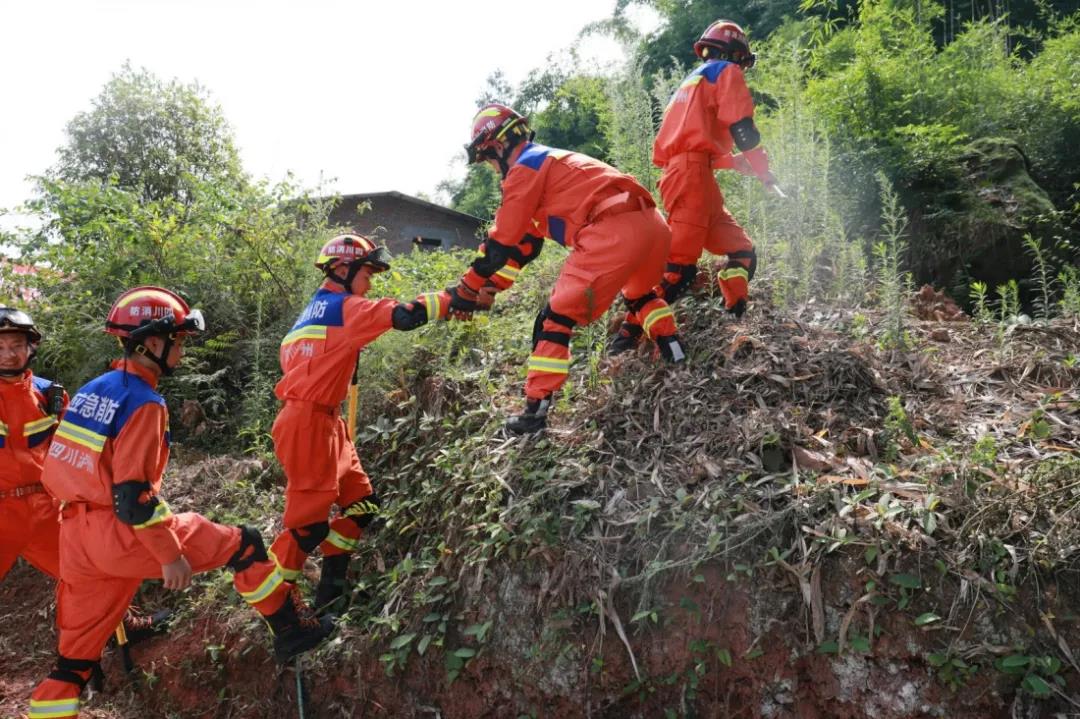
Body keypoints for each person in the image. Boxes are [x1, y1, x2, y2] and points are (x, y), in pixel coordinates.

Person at [29, 287, 332, 719]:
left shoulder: (94, 390)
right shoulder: (143, 403)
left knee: (73, 663)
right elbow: (133, 498)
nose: (183, 350)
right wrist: (169, 555)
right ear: (153, 342)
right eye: (180, 339)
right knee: (243, 544)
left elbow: (65, 470)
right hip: (122, 532)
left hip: (76, 538)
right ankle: (291, 629)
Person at [450, 103, 686, 434]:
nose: (491, 167)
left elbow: (501, 242)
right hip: (653, 226)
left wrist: (466, 289)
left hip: (612, 230)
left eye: (488, 158)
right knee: (639, 294)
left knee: (554, 319)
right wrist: (490, 287)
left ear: (498, 146)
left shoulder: (524, 168)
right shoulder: (552, 166)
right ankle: (676, 354)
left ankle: (534, 413)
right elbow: (524, 248)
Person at [265, 234, 450, 615]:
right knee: (307, 527)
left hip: (323, 422)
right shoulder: (346, 308)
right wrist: (456, 298)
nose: (370, 282)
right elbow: (405, 315)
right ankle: (280, 614)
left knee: (362, 505)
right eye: (367, 272)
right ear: (343, 269)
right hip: (309, 425)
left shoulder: (309, 316)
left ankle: (330, 595)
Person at [0, 307, 167, 651]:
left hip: (45, 507)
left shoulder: (51, 396)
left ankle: (122, 624)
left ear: (31, 347)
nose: (7, 353)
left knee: (91, 570)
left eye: (15, 344)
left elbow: (77, 450)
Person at [611, 19, 777, 353]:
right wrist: (763, 169)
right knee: (677, 271)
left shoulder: (691, 84)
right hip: (691, 180)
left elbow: (694, 146)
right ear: (734, 53)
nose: (741, 68)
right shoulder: (725, 72)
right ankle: (626, 341)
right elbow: (742, 129)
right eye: (741, 60)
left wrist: (734, 162)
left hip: (695, 178)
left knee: (743, 252)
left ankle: (735, 315)